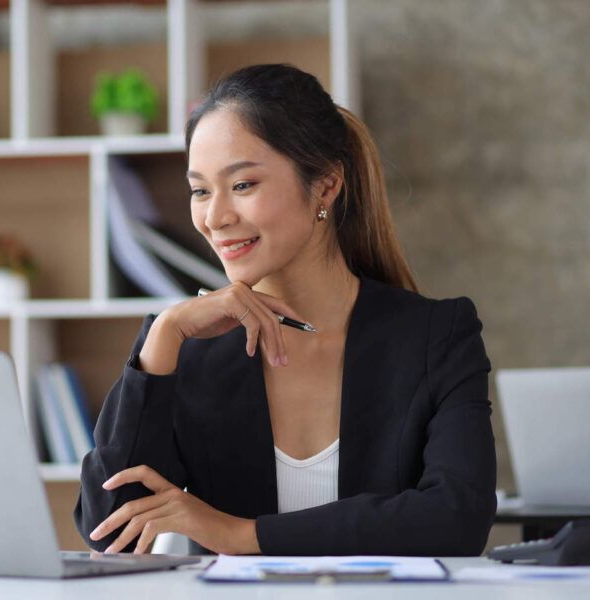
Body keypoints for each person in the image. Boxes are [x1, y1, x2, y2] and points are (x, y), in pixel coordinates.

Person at [73, 63, 496, 557]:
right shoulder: (185, 347)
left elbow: (457, 519)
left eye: (243, 185)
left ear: (325, 186)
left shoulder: (436, 335)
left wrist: (238, 533)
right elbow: (108, 532)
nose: (214, 217)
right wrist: (163, 338)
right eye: (200, 190)